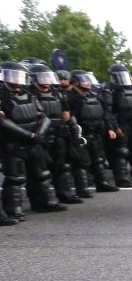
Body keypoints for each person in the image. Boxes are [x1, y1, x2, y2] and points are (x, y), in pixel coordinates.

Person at [0, 61, 68, 217]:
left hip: (34, 141)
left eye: (19, 75)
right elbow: (3, 121)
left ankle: (44, 202)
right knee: (15, 177)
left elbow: (44, 116)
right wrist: (28, 135)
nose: (16, 79)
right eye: (13, 75)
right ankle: (13, 209)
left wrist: (39, 134)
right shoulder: (2, 96)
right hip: (13, 142)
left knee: (41, 173)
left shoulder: (30, 95)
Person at [27, 63, 84, 204]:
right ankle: (40, 201)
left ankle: (64, 194)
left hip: (58, 134)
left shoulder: (57, 93)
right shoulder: (30, 94)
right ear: (34, 79)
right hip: (40, 135)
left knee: (61, 166)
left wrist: (71, 131)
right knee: (40, 171)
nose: (46, 80)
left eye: (47, 76)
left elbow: (66, 114)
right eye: (42, 77)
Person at [67, 71, 119, 193]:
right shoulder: (71, 98)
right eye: (84, 80)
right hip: (81, 134)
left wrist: (109, 128)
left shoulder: (93, 96)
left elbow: (103, 114)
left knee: (98, 160)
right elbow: (69, 117)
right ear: (75, 82)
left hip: (95, 133)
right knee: (81, 162)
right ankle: (82, 189)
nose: (88, 83)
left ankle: (102, 183)